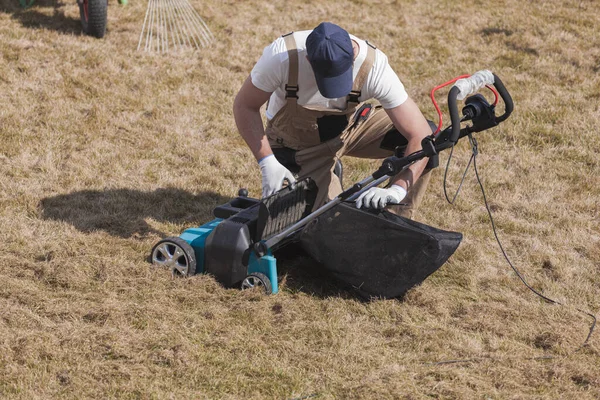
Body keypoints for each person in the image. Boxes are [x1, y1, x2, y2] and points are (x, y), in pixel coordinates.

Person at [233, 22, 435, 219]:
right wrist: (267, 161)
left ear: (353, 53)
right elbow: (244, 106)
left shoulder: (373, 66)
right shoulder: (282, 57)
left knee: (427, 146)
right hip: (298, 145)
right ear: (309, 60)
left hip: (351, 128)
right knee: (330, 224)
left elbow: (420, 133)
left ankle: (393, 224)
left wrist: (398, 189)